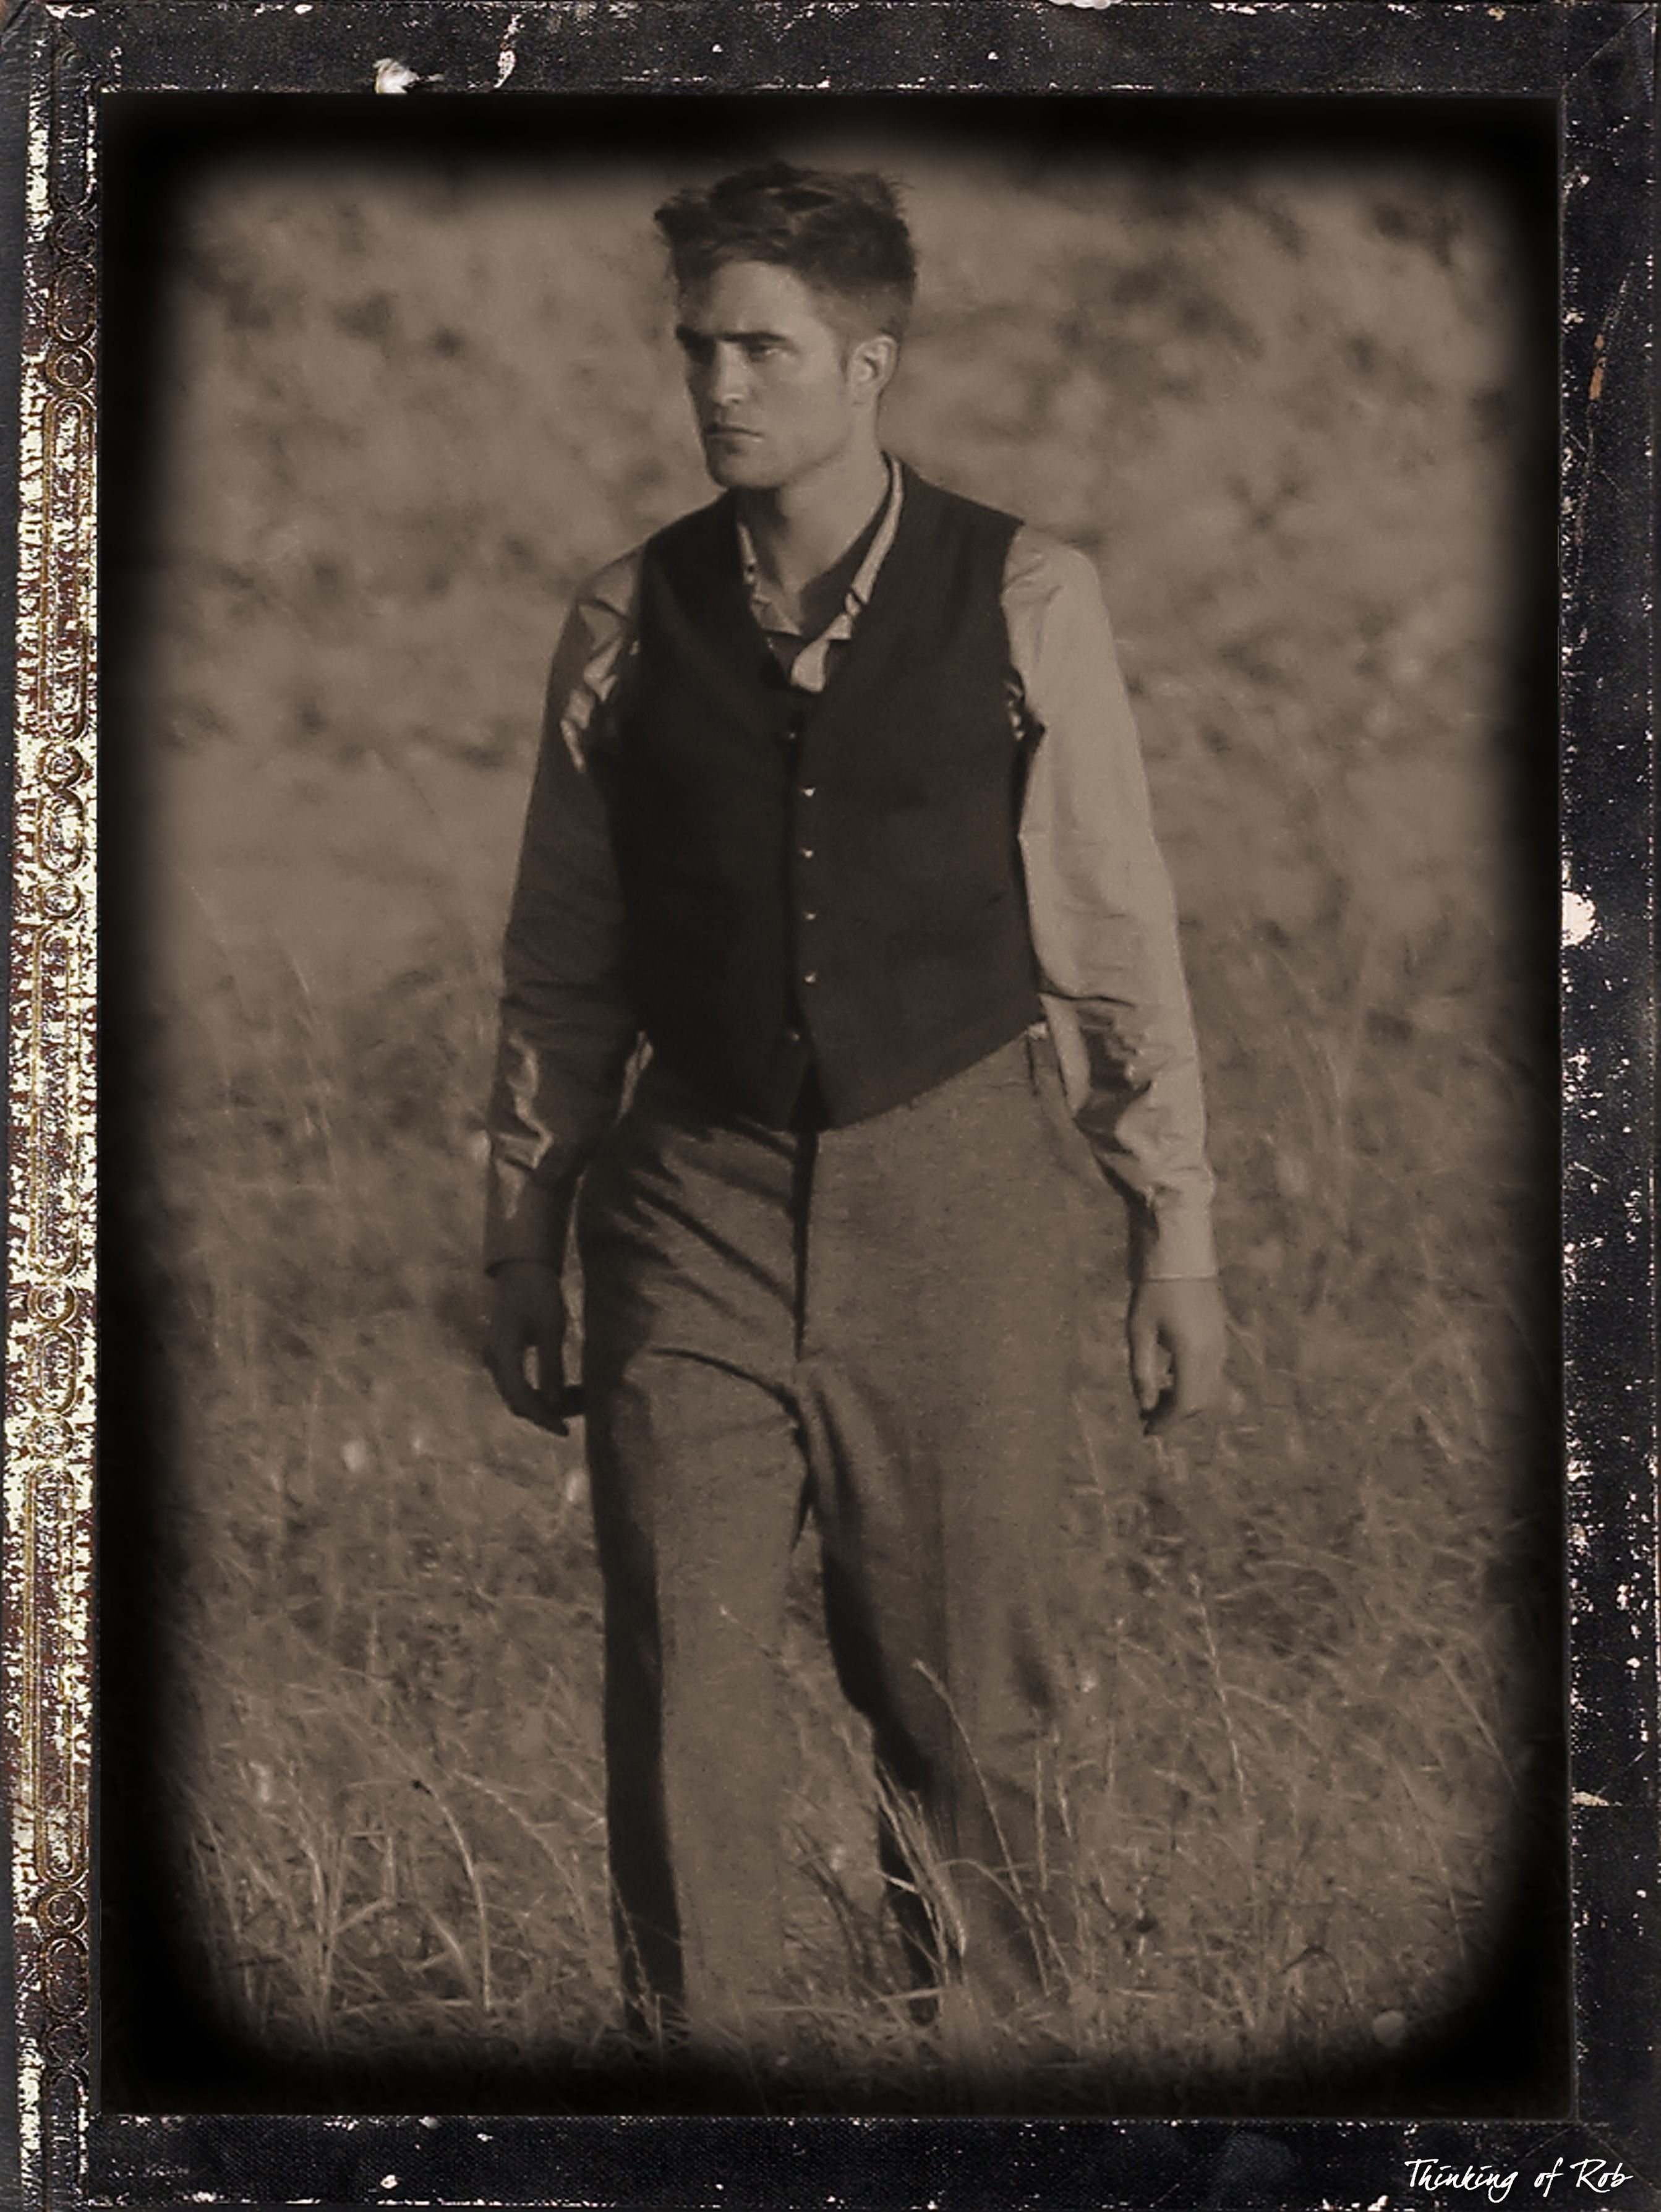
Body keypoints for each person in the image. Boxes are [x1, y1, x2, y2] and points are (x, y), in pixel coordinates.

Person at [482, 160, 1226, 2056]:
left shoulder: (1027, 592)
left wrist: (1177, 1234)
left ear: (868, 363)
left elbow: (1112, 936)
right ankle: (703, 2098)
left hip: (958, 1179)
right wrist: (524, 1234)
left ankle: (985, 2088)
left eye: (762, 349)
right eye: (698, 348)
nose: (718, 385)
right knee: (683, 1688)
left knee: (966, 1689)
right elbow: (561, 961)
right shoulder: (624, 614)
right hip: (690, 1201)